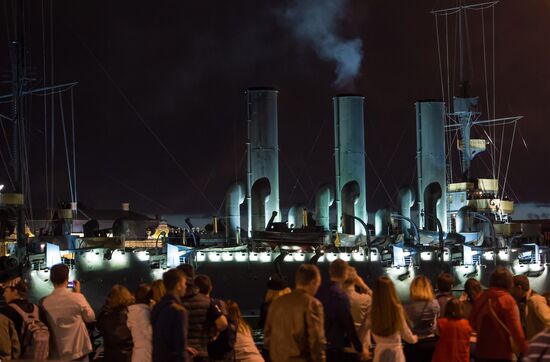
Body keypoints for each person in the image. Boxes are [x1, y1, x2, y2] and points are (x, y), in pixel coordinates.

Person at [264, 263, 326, 362]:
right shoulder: (312, 304)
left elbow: (267, 338)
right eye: (318, 284)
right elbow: (316, 341)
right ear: (313, 282)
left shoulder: (276, 303)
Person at [469, 267, 528, 361]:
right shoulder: (507, 300)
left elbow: (471, 324)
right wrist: (527, 351)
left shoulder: (481, 298)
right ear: (509, 282)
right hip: (501, 353)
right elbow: (516, 331)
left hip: (481, 353)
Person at [42, 263, 95, 361]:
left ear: (51, 279)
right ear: (67, 277)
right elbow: (90, 317)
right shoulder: (77, 298)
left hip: (58, 353)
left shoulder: (45, 302)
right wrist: (78, 293)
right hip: (78, 351)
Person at [316, 259, 368, 361]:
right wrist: (360, 349)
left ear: (330, 272)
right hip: (335, 347)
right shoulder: (341, 297)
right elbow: (348, 325)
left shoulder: (319, 291)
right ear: (345, 274)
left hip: (319, 344)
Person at [179, 264, 227, 362]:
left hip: (181, 353)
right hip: (201, 352)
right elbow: (223, 324)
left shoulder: (175, 302)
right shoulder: (208, 301)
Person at [151, 268, 195, 362]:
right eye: (184, 283)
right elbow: (180, 345)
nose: (185, 287)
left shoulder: (157, 307)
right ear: (178, 285)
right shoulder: (178, 311)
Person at [371, 276, 417, 362]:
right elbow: (405, 331)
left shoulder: (372, 310)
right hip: (396, 354)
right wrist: (414, 339)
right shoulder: (397, 309)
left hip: (379, 353)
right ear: (391, 290)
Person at [0, 276, 49, 358]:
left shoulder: (6, 312)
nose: (4, 294)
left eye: (6, 291)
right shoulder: (38, 309)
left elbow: (4, 346)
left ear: (15, 291)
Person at [403, 275, 440, 362]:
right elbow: (436, 322)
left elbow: (406, 326)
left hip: (413, 344)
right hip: (430, 343)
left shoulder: (406, 306)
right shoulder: (434, 304)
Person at [97, 284, 134, 361]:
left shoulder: (104, 317)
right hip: (129, 356)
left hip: (110, 356)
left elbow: (98, 328)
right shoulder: (132, 315)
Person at [432, 298, 472, 362]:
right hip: (461, 356)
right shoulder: (466, 323)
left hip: (444, 356)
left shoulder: (441, 322)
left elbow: (437, 334)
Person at [511, 274, 550, 339]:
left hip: (538, 344)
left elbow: (548, 320)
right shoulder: (521, 301)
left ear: (519, 288)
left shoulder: (535, 300)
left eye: (512, 288)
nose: (511, 291)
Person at [343, 267, 372, 353]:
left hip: (343, 347)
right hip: (363, 348)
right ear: (355, 280)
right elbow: (378, 304)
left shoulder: (336, 299)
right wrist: (363, 285)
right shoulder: (365, 299)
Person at [127, 284, 153, 362]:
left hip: (137, 354)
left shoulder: (131, 312)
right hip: (147, 354)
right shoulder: (144, 313)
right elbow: (150, 334)